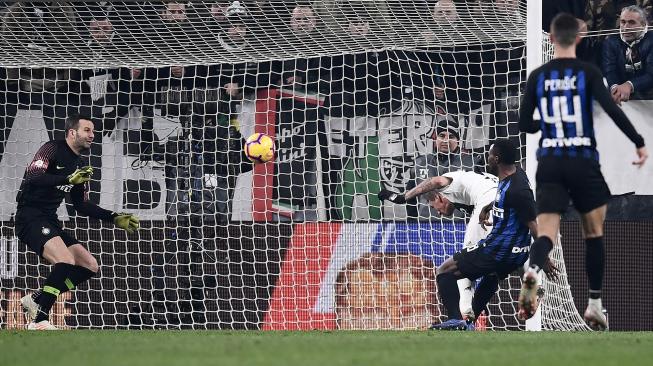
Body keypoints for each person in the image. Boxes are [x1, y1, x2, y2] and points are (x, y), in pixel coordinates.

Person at [518, 13, 648, 330]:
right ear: (578, 38)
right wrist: (638, 141)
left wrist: (546, 124)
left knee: (547, 232)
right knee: (593, 233)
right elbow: (613, 109)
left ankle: (534, 268)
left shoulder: (538, 75)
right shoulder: (588, 72)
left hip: (549, 160)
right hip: (582, 159)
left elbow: (524, 124)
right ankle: (593, 305)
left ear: (550, 40)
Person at [15, 114, 139, 330]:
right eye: (87, 130)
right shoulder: (51, 148)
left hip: (50, 220)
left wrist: (114, 217)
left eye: (93, 131)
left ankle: (36, 298)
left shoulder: (80, 164)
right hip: (29, 216)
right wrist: (66, 179)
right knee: (64, 261)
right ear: (72, 132)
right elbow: (34, 176)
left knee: (89, 266)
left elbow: (81, 205)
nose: (92, 135)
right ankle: (39, 320)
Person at [430, 140, 539, 330]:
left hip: (498, 249)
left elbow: (533, 223)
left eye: (489, 155)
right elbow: (503, 198)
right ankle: (469, 323)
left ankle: (457, 320)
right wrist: (488, 208)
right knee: (491, 276)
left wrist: (543, 256)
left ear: (496, 159)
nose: (486, 158)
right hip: (512, 254)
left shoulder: (518, 190)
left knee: (444, 271)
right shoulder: (514, 175)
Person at [379, 157, 497, 320]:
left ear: (440, 198)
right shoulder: (470, 188)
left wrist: (403, 197)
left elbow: (435, 180)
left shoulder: (451, 183)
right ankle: (532, 278)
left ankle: (464, 313)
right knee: (498, 265)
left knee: (464, 260)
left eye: (435, 208)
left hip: (488, 202)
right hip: (505, 203)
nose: (439, 213)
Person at [603, 5, 653, 104]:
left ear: (643, 24)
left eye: (631, 22)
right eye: (623, 22)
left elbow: (651, 74)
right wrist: (614, 88)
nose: (626, 27)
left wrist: (629, 85)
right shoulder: (610, 41)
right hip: (621, 95)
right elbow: (610, 71)